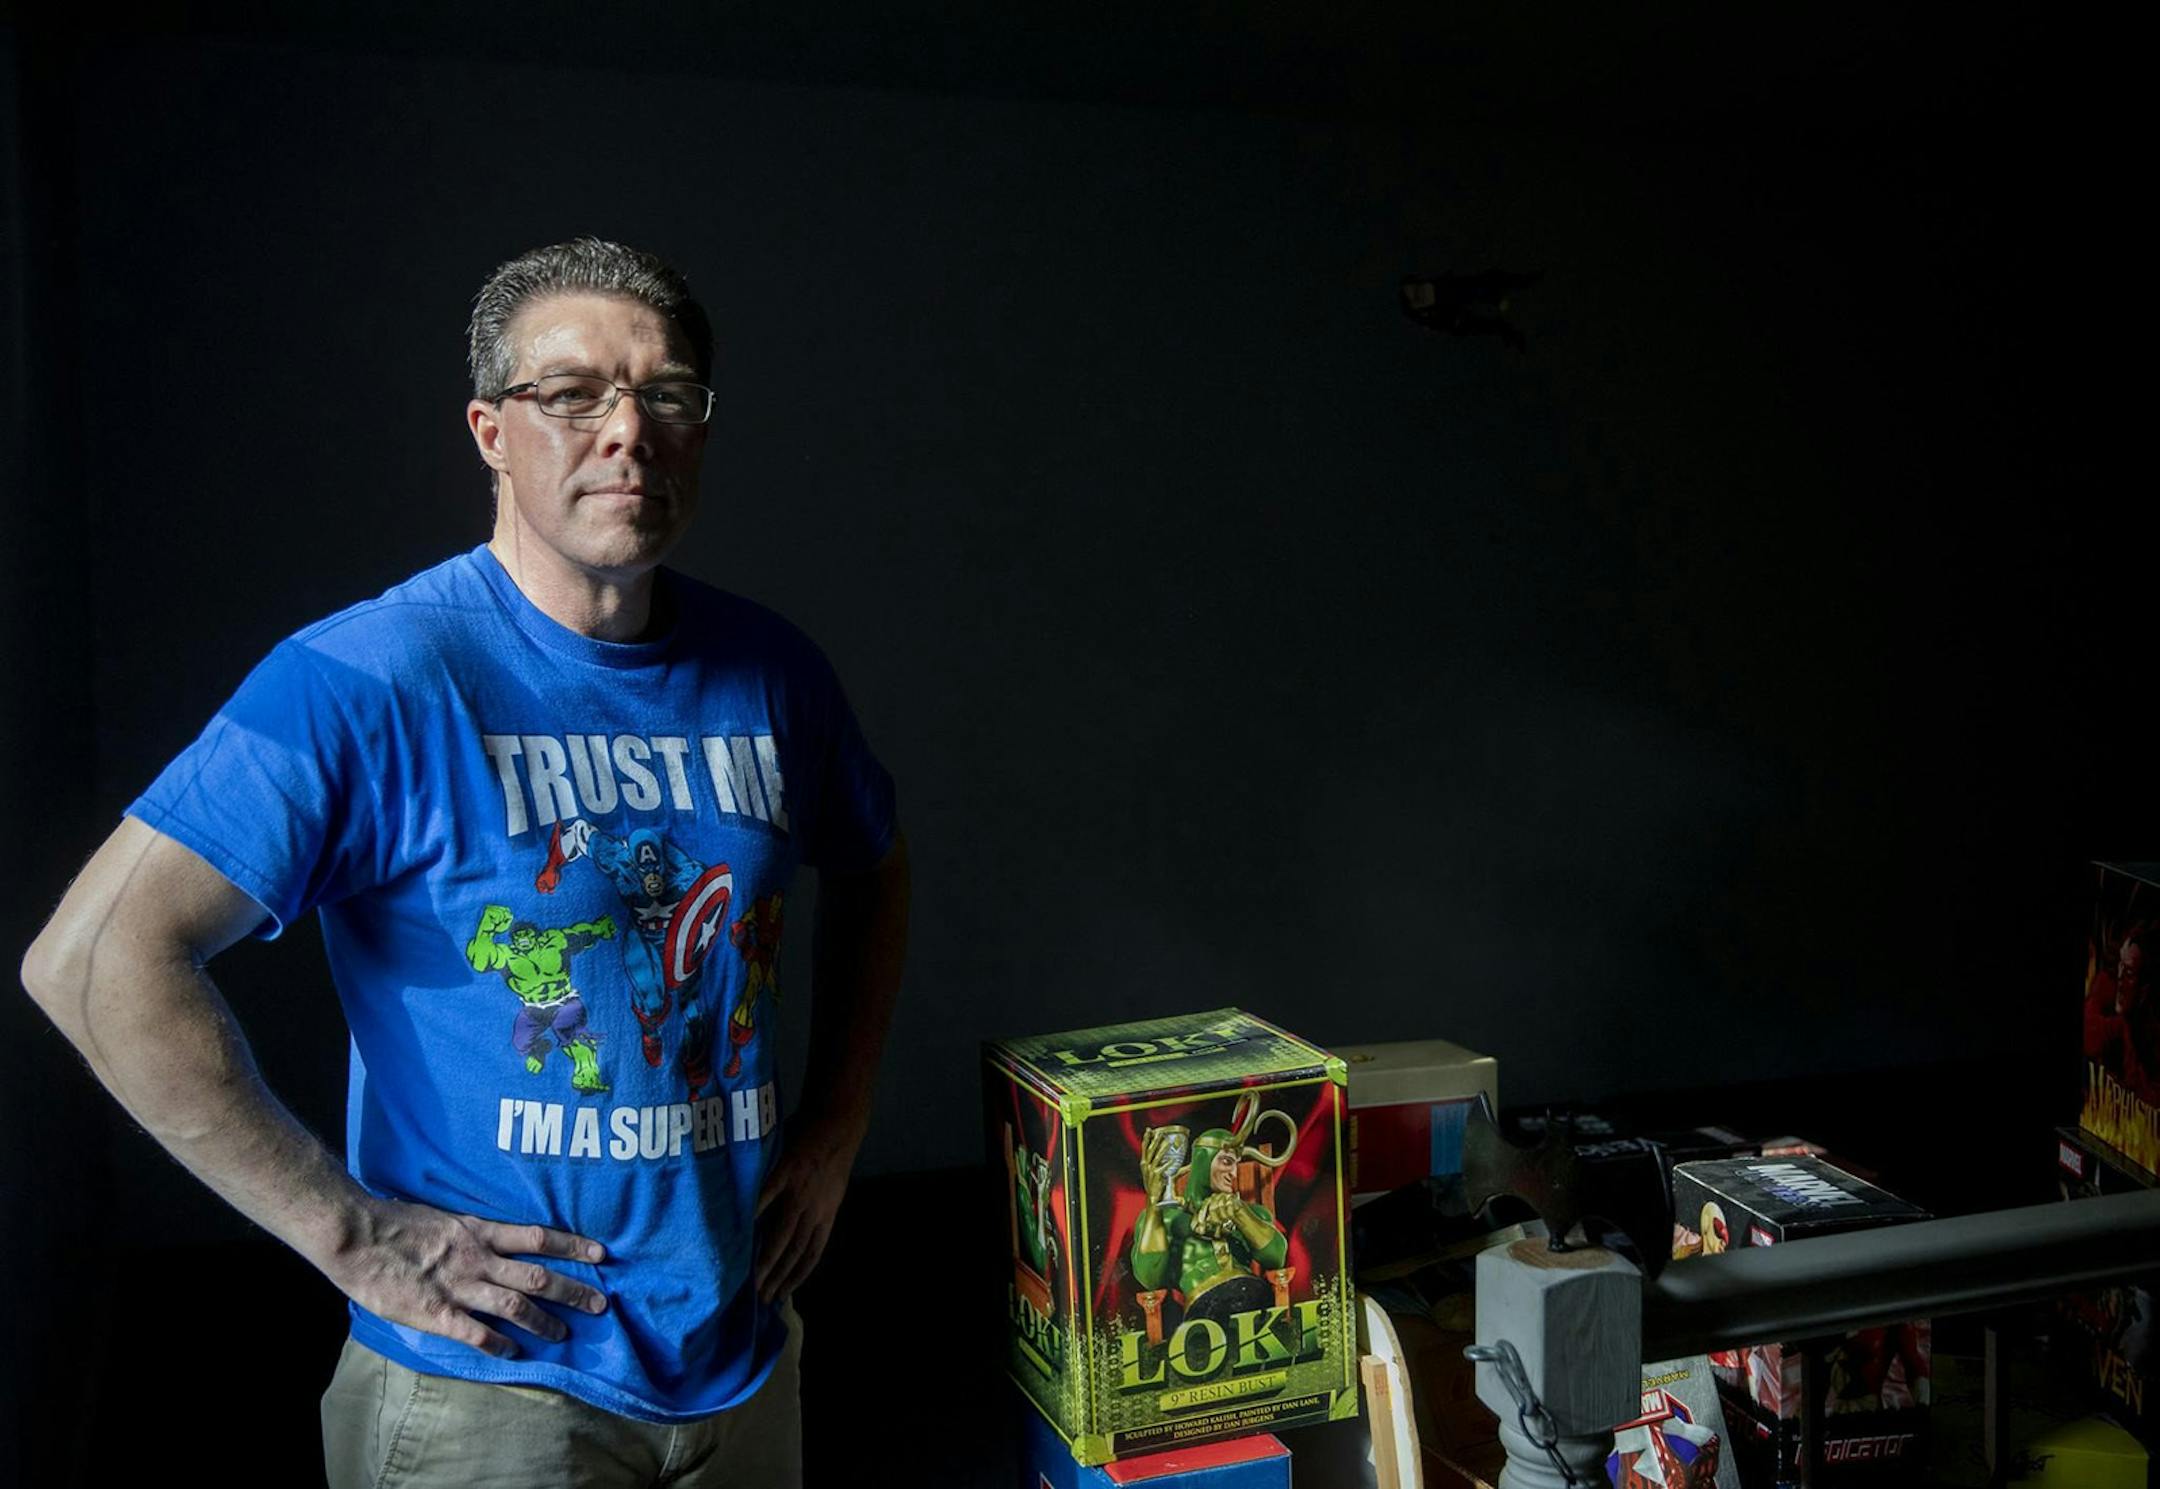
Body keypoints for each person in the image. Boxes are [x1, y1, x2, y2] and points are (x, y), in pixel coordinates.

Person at [18, 238, 910, 1487]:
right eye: (573, 394)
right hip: (494, 1388)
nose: (627, 432)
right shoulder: (372, 675)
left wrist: (838, 1118)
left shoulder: (775, 673)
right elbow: (97, 958)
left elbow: (874, 859)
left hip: (742, 1358)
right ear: (492, 431)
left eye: (665, 394)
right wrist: (353, 1235)